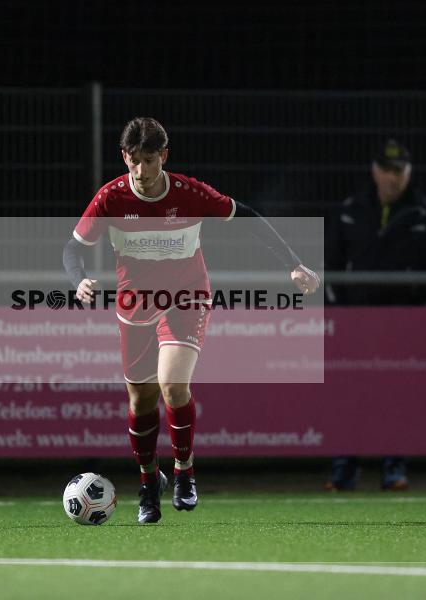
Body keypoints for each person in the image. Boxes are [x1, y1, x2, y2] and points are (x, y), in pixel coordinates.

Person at [64, 117, 320, 523]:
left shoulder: (189, 192)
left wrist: (293, 263)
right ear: (124, 157)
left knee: (172, 385)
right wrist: (78, 281)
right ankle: (150, 482)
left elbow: (247, 216)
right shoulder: (110, 198)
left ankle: (184, 470)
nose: (141, 171)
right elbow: (72, 249)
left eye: (149, 160)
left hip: (186, 298)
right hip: (135, 306)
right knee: (140, 401)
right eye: (134, 160)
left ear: (164, 156)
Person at [324, 139, 426, 491]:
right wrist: (342, 313)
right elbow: (329, 267)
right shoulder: (350, 209)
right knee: (350, 394)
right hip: (356, 322)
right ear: (374, 170)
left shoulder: (424, 213)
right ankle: (343, 470)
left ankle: (394, 469)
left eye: (399, 170)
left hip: (402, 324)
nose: (393, 178)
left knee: (397, 395)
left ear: (409, 172)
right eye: (387, 169)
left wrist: (416, 312)